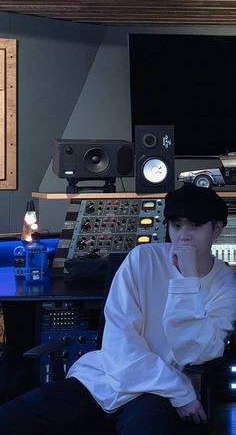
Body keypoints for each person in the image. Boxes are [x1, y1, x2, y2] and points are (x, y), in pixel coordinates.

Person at [0, 183, 236, 435]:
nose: (183, 236)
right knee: (10, 420)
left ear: (217, 229)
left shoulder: (225, 285)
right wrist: (180, 392)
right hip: (105, 378)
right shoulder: (142, 259)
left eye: (195, 226)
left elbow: (194, 352)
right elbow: (119, 343)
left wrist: (187, 282)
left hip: (158, 393)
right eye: (176, 226)